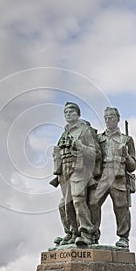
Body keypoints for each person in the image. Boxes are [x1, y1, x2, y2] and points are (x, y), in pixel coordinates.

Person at [51, 102, 101, 246]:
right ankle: (72, 233)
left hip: (79, 169)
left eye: (71, 112)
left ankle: (87, 233)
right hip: (64, 172)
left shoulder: (85, 130)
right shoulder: (64, 133)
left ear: (78, 114)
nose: (68, 114)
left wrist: (80, 146)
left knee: (79, 199)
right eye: (66, 112)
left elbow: (96, 153)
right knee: (65, 204)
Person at [89, 107, 136, 249]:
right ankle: (92, 235)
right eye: (106, 118)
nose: (108, 120)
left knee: (121, 207)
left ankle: (123, 238)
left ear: (118, 119)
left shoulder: (126, 139)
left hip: (119, 178)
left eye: (111, 117)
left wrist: (126, 155)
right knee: (93, 203)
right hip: (102, 177)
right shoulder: (99, 139)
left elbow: (133, 166)